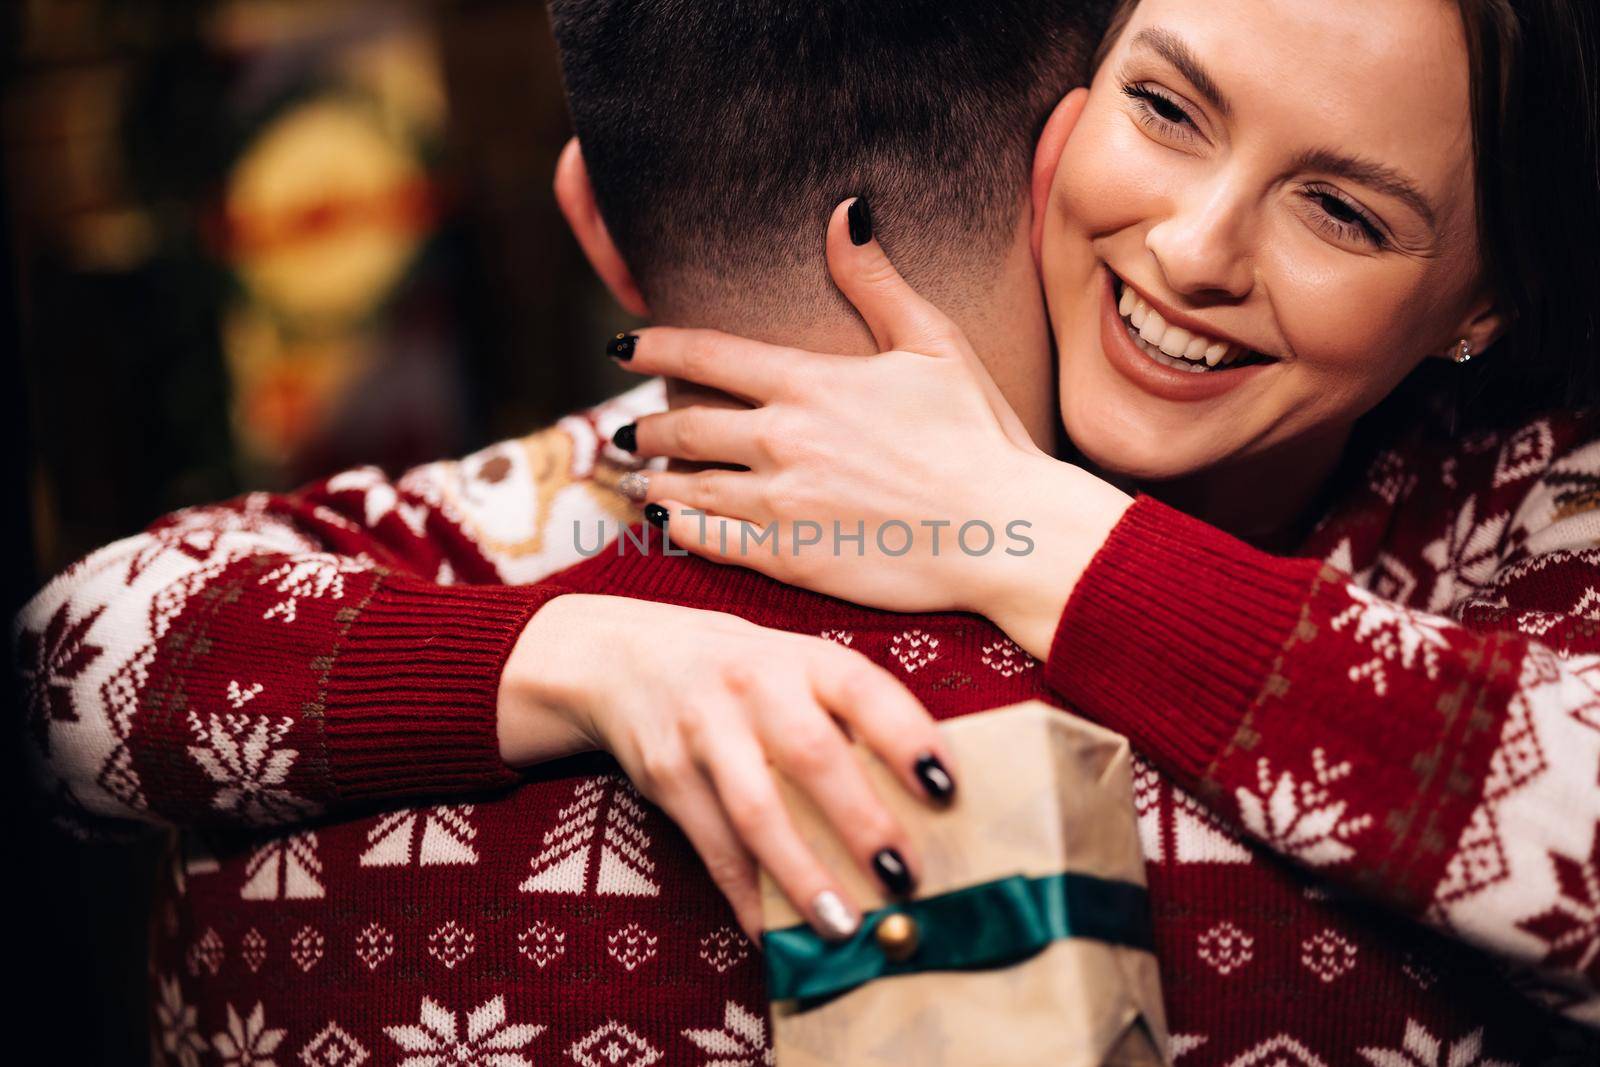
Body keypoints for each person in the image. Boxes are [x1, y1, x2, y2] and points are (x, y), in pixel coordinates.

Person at [16, 0, 1600, 1062]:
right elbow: (69, 669)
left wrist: (1021, 529)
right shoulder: (736, 459)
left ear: (1483, 300)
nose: (1190, 249)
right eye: (1170, 108)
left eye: (1347, 210)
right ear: (1062, 121)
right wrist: (590, 651)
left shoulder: (1520, 500)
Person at [14, 2, 1118, 1063]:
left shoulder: (256, 874)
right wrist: (598, 652)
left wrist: (573, 643)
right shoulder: (1263, 758)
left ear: (591, 219)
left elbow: (61, 677)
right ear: (1075, 180)